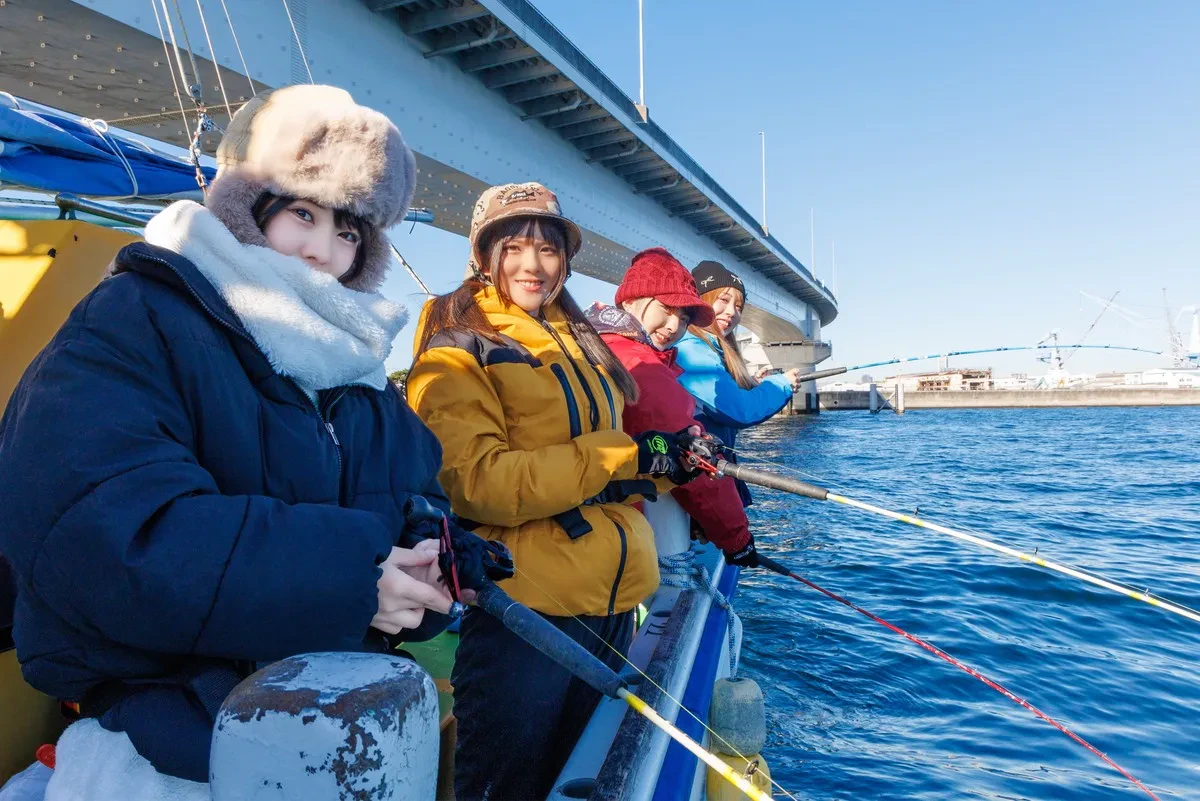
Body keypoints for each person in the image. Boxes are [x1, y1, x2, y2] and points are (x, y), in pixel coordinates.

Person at [0, 85, 471, 794]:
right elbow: (101, 530)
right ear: (244, 208)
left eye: (349, 230)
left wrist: (435, 551)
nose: (324, 252)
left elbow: (413, 486)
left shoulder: (356, 368)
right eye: (304, 213)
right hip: (163, 752)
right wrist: (351, 579)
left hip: (327, 738)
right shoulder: (138, 315)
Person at [406, 182, 703, 800]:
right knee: (504, 783)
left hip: (612, 600)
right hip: (525, 612)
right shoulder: (457, 343)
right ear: (483, 255)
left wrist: (664, 462)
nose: (532, 264)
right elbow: (476, 484)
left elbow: (601, 463)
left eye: (548, 248)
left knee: (580, 772)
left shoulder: (577, 339)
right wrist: (620, 452)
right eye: (512, 246)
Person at [586, 248, 760, 567]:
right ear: (629, 300)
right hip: (616, 542)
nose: (673, 325)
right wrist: (737, 539)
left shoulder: (594, 343)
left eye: (684, 318)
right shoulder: (642, 366)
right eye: (667, 308)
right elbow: (693, 461)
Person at [676, 260, 805, 511]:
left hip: (704, 482)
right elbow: (739, 410)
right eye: (722, 300)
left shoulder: (706, 347)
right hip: (697, 488)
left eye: (738, 306)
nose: (732, 312)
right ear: (699, 300)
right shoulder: (690, 349)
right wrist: (782, 385)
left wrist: (760, 386)